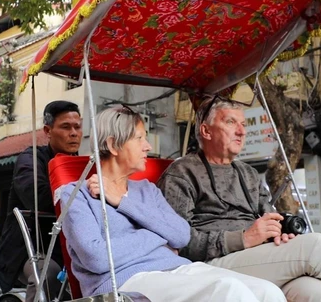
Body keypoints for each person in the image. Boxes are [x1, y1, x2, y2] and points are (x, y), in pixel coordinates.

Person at [59, 107, 284, 302]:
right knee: (227, 290)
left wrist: (123, 202)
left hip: (179, 268)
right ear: (113, 145)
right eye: (139, 138)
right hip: (127, 282)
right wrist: (158, 238)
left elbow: (181, 236)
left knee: (267, 292)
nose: (147, 146)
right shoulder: (76, 195)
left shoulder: (147, 189)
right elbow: (96, 258)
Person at [159, 99, 321, 302]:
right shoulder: (182, 172)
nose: (241, 132)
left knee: (317, 292)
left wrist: (280, 234)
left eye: (243, 124)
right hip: (207, 265)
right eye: (230, 122)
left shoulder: (248, 173)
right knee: (318, 246)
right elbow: (178, 242)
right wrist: (242, 238)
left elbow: (270, 217)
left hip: (256, 257)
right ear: (206, 131)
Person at [0, 100, 82, 300]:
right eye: (65, 127)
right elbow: (39, 197)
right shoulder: (30, 159)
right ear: (48, 130)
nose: (74, 133)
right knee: (46, 275)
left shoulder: (83, 164)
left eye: (77, 127)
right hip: (30, 249)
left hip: (72, 247)